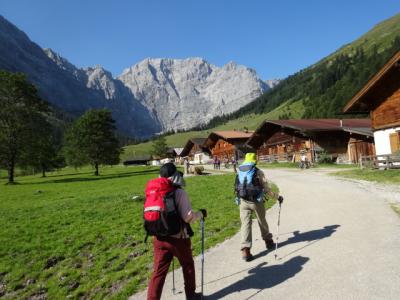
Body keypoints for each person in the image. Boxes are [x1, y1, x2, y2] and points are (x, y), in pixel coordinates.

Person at [146, 163, 207, 300]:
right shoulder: (179, 192)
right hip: (179, 238)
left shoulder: (153, 191)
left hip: (159, 238)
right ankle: (191, 296)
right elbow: (188, 217)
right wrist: (200, 214)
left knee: (158, 272)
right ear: (175, 176)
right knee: (187, 265)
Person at [234, 153, 282, 262]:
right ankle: (268, 242)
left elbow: (237, 185)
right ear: (255, 160)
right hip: (256, 201)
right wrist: (277, 197)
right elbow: (266, 189)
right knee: (261, 220)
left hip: (243, 201)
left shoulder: (240, 170)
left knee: (245, 224)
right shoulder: (258, 171)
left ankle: (245, 250)